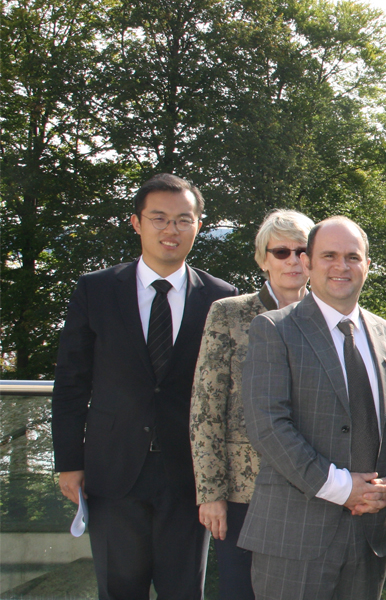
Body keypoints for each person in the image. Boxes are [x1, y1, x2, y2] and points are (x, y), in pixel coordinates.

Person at [51, 173, 238, 599]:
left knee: (184, 591)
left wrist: (218, 479)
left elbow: (228, 394)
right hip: (111, 471)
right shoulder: (95, 290)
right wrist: (69, 461)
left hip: (189, 477)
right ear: (136, 222)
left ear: (198, 226)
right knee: (118, 591)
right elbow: (71, 383)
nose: (170, 230)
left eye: (183, 220)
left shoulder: (219, 298)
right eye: (159, 218)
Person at [239, 216, 386, 600]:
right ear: (309, 263)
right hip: (295, 538)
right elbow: (268, 426)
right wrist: (341, 487)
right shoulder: (274, 329)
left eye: (352, 256)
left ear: (367, 265)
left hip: (371, 536)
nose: (341, 266)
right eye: (329, 255)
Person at [190, 209, 314, 600]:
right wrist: (211, 493)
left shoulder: (327, 318)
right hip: (245, 493)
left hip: (312, 488)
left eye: (303, 251)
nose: (293, 260)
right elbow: (205, 407)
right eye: (281, 252)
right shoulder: (229, 313)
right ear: (263, 259)